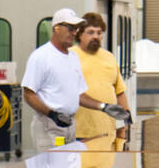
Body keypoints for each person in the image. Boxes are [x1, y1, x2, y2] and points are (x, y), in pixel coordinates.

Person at [21, 8, 131, 152]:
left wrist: (104, 107)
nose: (74, 32)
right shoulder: (41, 57)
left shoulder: (72, 58)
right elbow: (28, 94)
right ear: (56, 28)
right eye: (71, 28)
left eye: (76, 29)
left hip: (69, 126)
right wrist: (52, 114)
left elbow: (79, 95)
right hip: (51, 127)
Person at [72, 12, 130, 142]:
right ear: (79, 34)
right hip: (78, 132)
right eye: (90, 32)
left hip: (107, 131)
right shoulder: (70, 56)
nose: (95, 37)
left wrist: (125, 126)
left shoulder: (109, 57)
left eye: (99, 33)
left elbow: (120, 93)